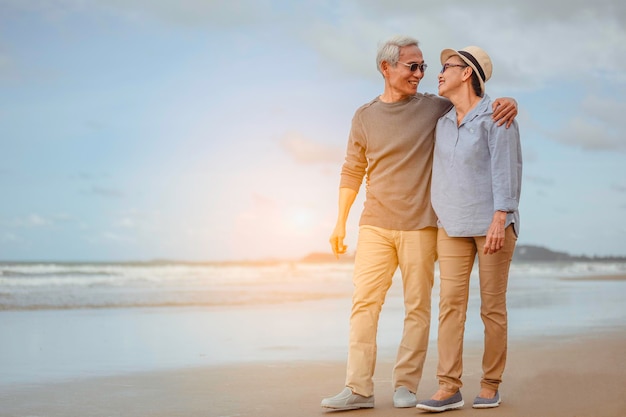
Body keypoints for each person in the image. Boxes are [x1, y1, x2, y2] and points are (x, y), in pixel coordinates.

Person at [321, 36, 518, 411]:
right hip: (379, 224)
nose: (423, 74)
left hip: (423, 225)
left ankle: (409, 386)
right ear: (386, 68)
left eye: (427, 67)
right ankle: (359, 389)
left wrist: (510, 102)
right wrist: (340, 222)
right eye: (414, 67)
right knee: (366, 305)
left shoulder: (435, 108)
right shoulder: (369, 116)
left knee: (422, 309)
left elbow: (478, 102)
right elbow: (352, 170)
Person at [416, 46, 522, 412]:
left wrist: (500, 216)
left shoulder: (497, 115)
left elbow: (506, 170)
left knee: (491, 308)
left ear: (467, 73)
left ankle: (491, 384)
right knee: (450, 307)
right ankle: (448, 387)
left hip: (492, 225)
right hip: (453, 226)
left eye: (447, 67)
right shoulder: (442, 121)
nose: (439, 72)